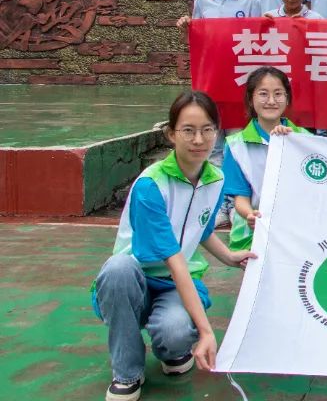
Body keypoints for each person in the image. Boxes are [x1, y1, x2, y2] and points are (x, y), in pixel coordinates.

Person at [91, 91, 255, 401]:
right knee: (117, 268)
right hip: (135, 282)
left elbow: (201, 228)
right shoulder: (151, 185)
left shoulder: (215, 179)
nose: (199, 140)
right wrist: (206, 331)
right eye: (188, 130)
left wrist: (229, 256)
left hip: (174, 285)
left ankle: (172, 348)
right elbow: (175, 260)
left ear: (217, 131)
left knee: (175, 334)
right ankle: (127, 372)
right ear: (171, 133)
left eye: (207, 129)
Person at [223, 67, 308, 252]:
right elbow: (241, 198)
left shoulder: (305, 139)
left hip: (297, 230)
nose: (271, 101)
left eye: (278, 94)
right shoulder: (236, 146)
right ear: (250, 99)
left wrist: (294, 143)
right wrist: (251, 215)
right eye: (263, 94)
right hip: (253, 233)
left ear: (287, 98)